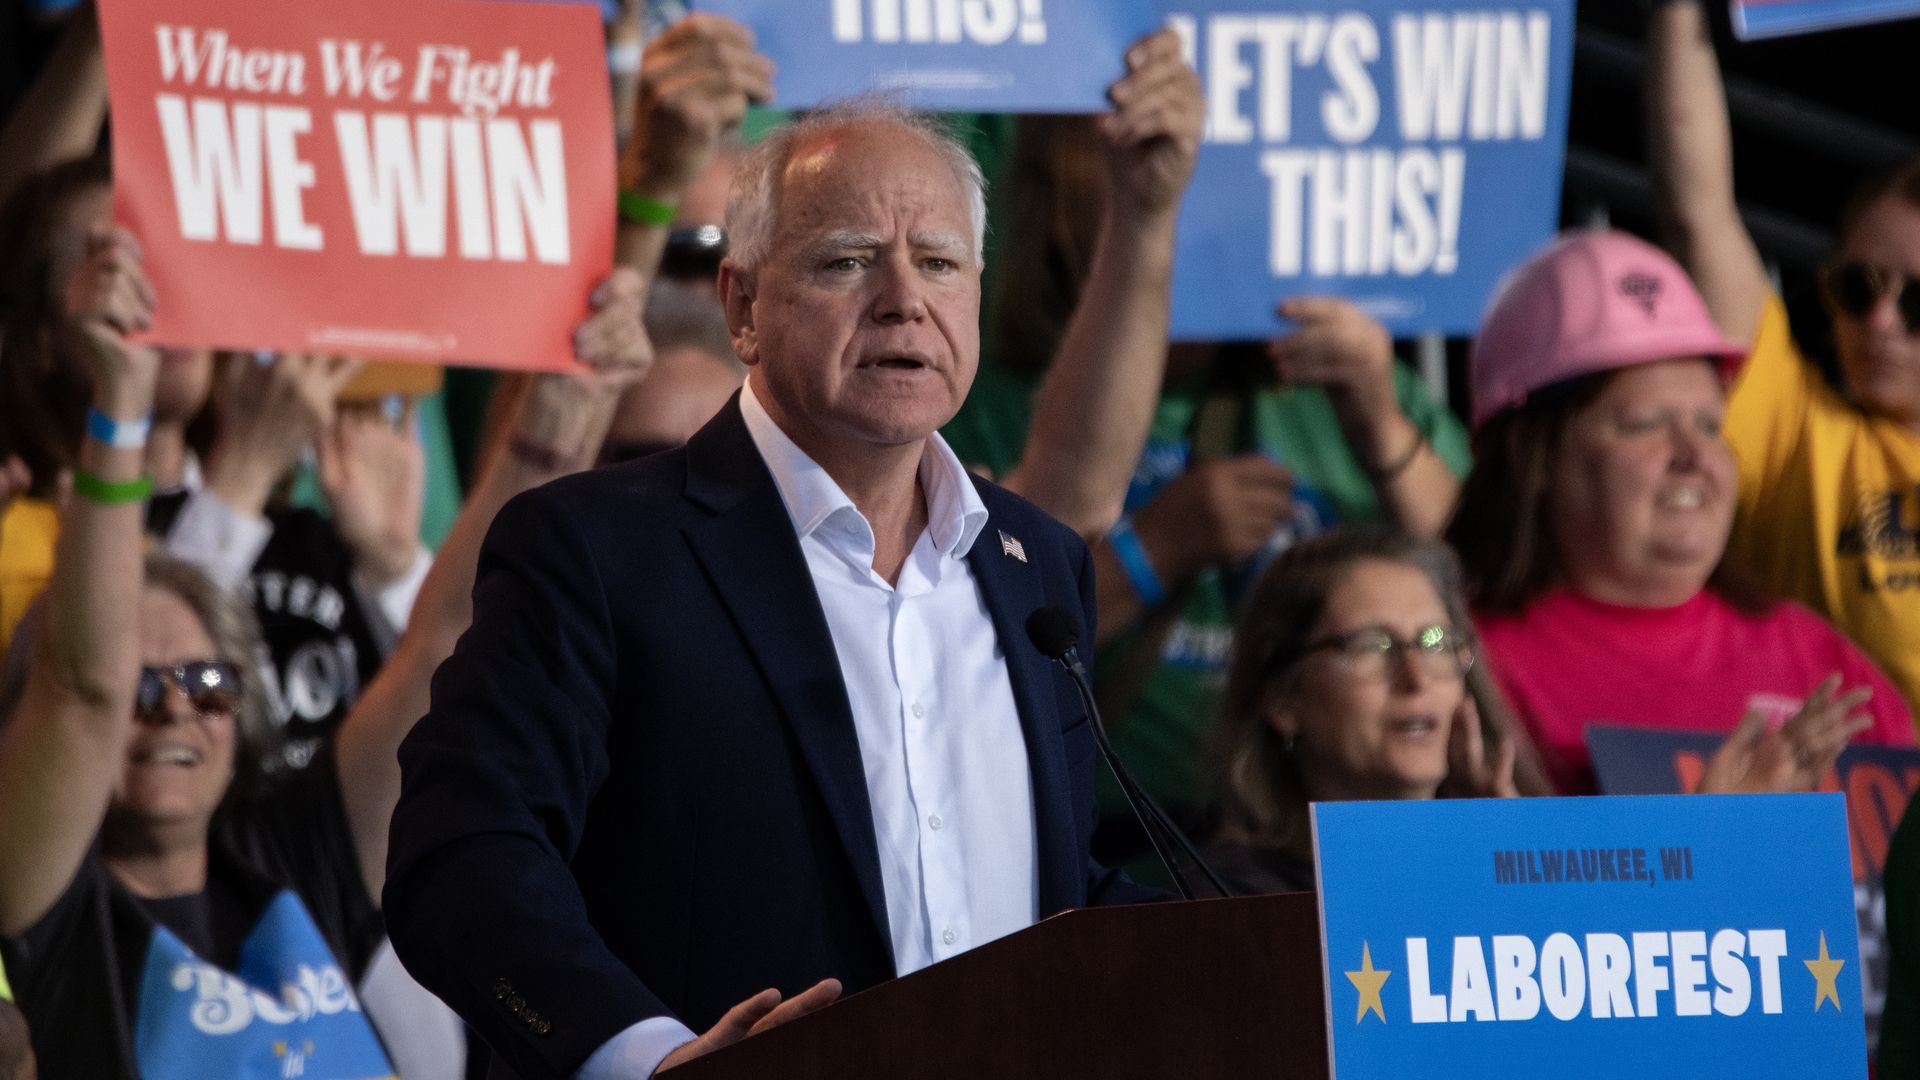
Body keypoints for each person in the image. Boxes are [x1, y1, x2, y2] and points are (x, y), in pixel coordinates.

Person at [384, 98, 1163, 1080]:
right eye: (846, 261)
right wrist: (647, 1058)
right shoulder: (595, 550)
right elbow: (461, 857)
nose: (901, 300)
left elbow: (1043, 883)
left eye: (938, 262)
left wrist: (1265, 951)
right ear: (742, 307)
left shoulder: (1036, 565)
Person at [0, 227, 650, 1079]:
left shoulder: (291, 855)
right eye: (140, 685)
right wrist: (118, 401)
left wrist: (551, 434)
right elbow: (80, 686)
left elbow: (443, 642)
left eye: (206, 681)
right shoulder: (53, 902)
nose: (174, 708)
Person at [1448, 229, 1915, 795]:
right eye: (1645, 424)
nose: (1695, 456)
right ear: (1535, 457)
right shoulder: (1457, 668)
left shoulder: (1818, 659)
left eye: (1710, 425)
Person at [1646, 0, 1920, 721]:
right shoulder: (1798, 434)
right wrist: (1679, 13)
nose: (1880, 321)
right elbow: (1696, 211)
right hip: (1856, 823)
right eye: (1855, 289)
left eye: (1918, 302)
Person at [1206, 528, 1540, 894]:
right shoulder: (1230, 901)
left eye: (1435, 642)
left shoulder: (1509, 862)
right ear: (1283, 701)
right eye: (1372, 646)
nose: (1415, 677)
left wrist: (1515, 864)